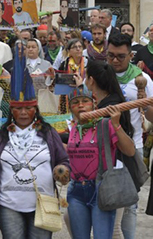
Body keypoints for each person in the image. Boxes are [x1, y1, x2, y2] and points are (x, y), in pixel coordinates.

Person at [0, 50, 70, 239]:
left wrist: (62, 170)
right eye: (18, 109)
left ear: (35, 109)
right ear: (12, 111)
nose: (24, 113)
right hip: (8, 204)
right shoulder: (2, 136)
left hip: (43, 204)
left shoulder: (48, 133)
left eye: (28, 108)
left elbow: (63, 160)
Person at [66, 87, 135, 239]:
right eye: (75, 102)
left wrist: (116, 124)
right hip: (76, 191)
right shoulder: (72, 129)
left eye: (85, 101)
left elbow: (130, 151)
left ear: (94, 105)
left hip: (101, 190)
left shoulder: (105, 125)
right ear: (70, 108)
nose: (81, 105)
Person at [107, 34, 153, 239]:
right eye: (110, 56)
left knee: (130, 203)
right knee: (105, 200)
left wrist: (145, 105)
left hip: (132, 147)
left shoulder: (142, 79)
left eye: (120, 56)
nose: (115, 60)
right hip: (103, 147)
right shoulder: (100, 74)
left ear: (131, 55)